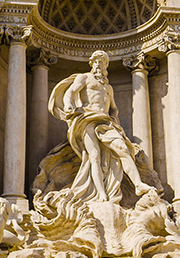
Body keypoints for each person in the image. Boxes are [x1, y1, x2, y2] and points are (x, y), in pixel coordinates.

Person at [48, 50, 152, 205]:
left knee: (123, 149)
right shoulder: (85, 78)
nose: (99, 64)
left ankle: (138, 184)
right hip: (87, 119)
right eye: (97, 61)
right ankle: (101, 195)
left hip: (105, 122)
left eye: (102, 62)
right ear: (92, 63)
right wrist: (69, 105)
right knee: (94, 156)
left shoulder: (108, 88)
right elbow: (70, 92)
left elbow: (113, 108)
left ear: (106, 65)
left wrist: (115, 122)